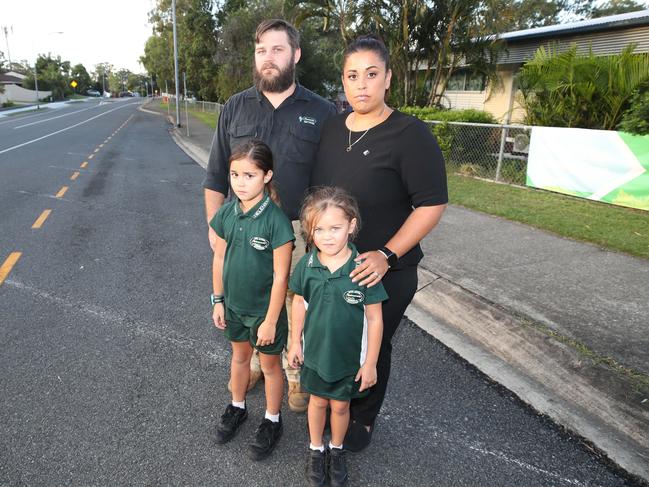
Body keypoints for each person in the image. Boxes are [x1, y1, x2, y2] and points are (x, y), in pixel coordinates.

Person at [311, 35, 448, 452]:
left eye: (371, 74)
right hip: (334, 265)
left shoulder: (410, 134)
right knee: (336, 338)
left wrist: (388, 254)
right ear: (343, 82)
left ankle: (363, 417)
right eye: (353, 76)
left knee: (372, 343)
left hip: (386, 269)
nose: (362, 85)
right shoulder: (333, 128)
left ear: (388, 78)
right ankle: (333, 403)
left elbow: (432, 204)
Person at [204, 19, 337, 413]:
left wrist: (320, 235)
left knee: (296, 305)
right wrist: (216, 231)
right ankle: (262, 364)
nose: (268, 58)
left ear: (295, 55)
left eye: (277, 49)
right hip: (241, 227)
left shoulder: (322, 111)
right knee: (250, 298)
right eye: (261, 50)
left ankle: (295, 375)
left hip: (296, 230)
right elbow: (214, 176)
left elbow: (329, 182)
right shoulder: (235, 106)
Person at [287, 187, 387, 487]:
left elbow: (375, 318)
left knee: (341, 406)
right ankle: (316, 449)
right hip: (316, 354)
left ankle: (336, 448)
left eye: (335, 228)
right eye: (319, 229)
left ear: (351, 226)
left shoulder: (362, 269)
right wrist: (294, 341)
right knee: (317, 402)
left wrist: (370, 364)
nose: (327, 236)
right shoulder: (306, 266)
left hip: (349, 359)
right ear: (309, 231)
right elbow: (299, 304)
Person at [210, 140, 294, 460]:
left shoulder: (276, 222)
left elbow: (282, 277)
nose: (240, 183)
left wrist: (271, 320)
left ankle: (273, 419)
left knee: (271, 366)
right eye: (235, 175)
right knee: (240, 358)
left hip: (264, 312)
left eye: (249, 175)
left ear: (267, 175)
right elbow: (219, 259)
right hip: (233, 306)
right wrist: (218, 300)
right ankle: (238, 406)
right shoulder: (227, 214)